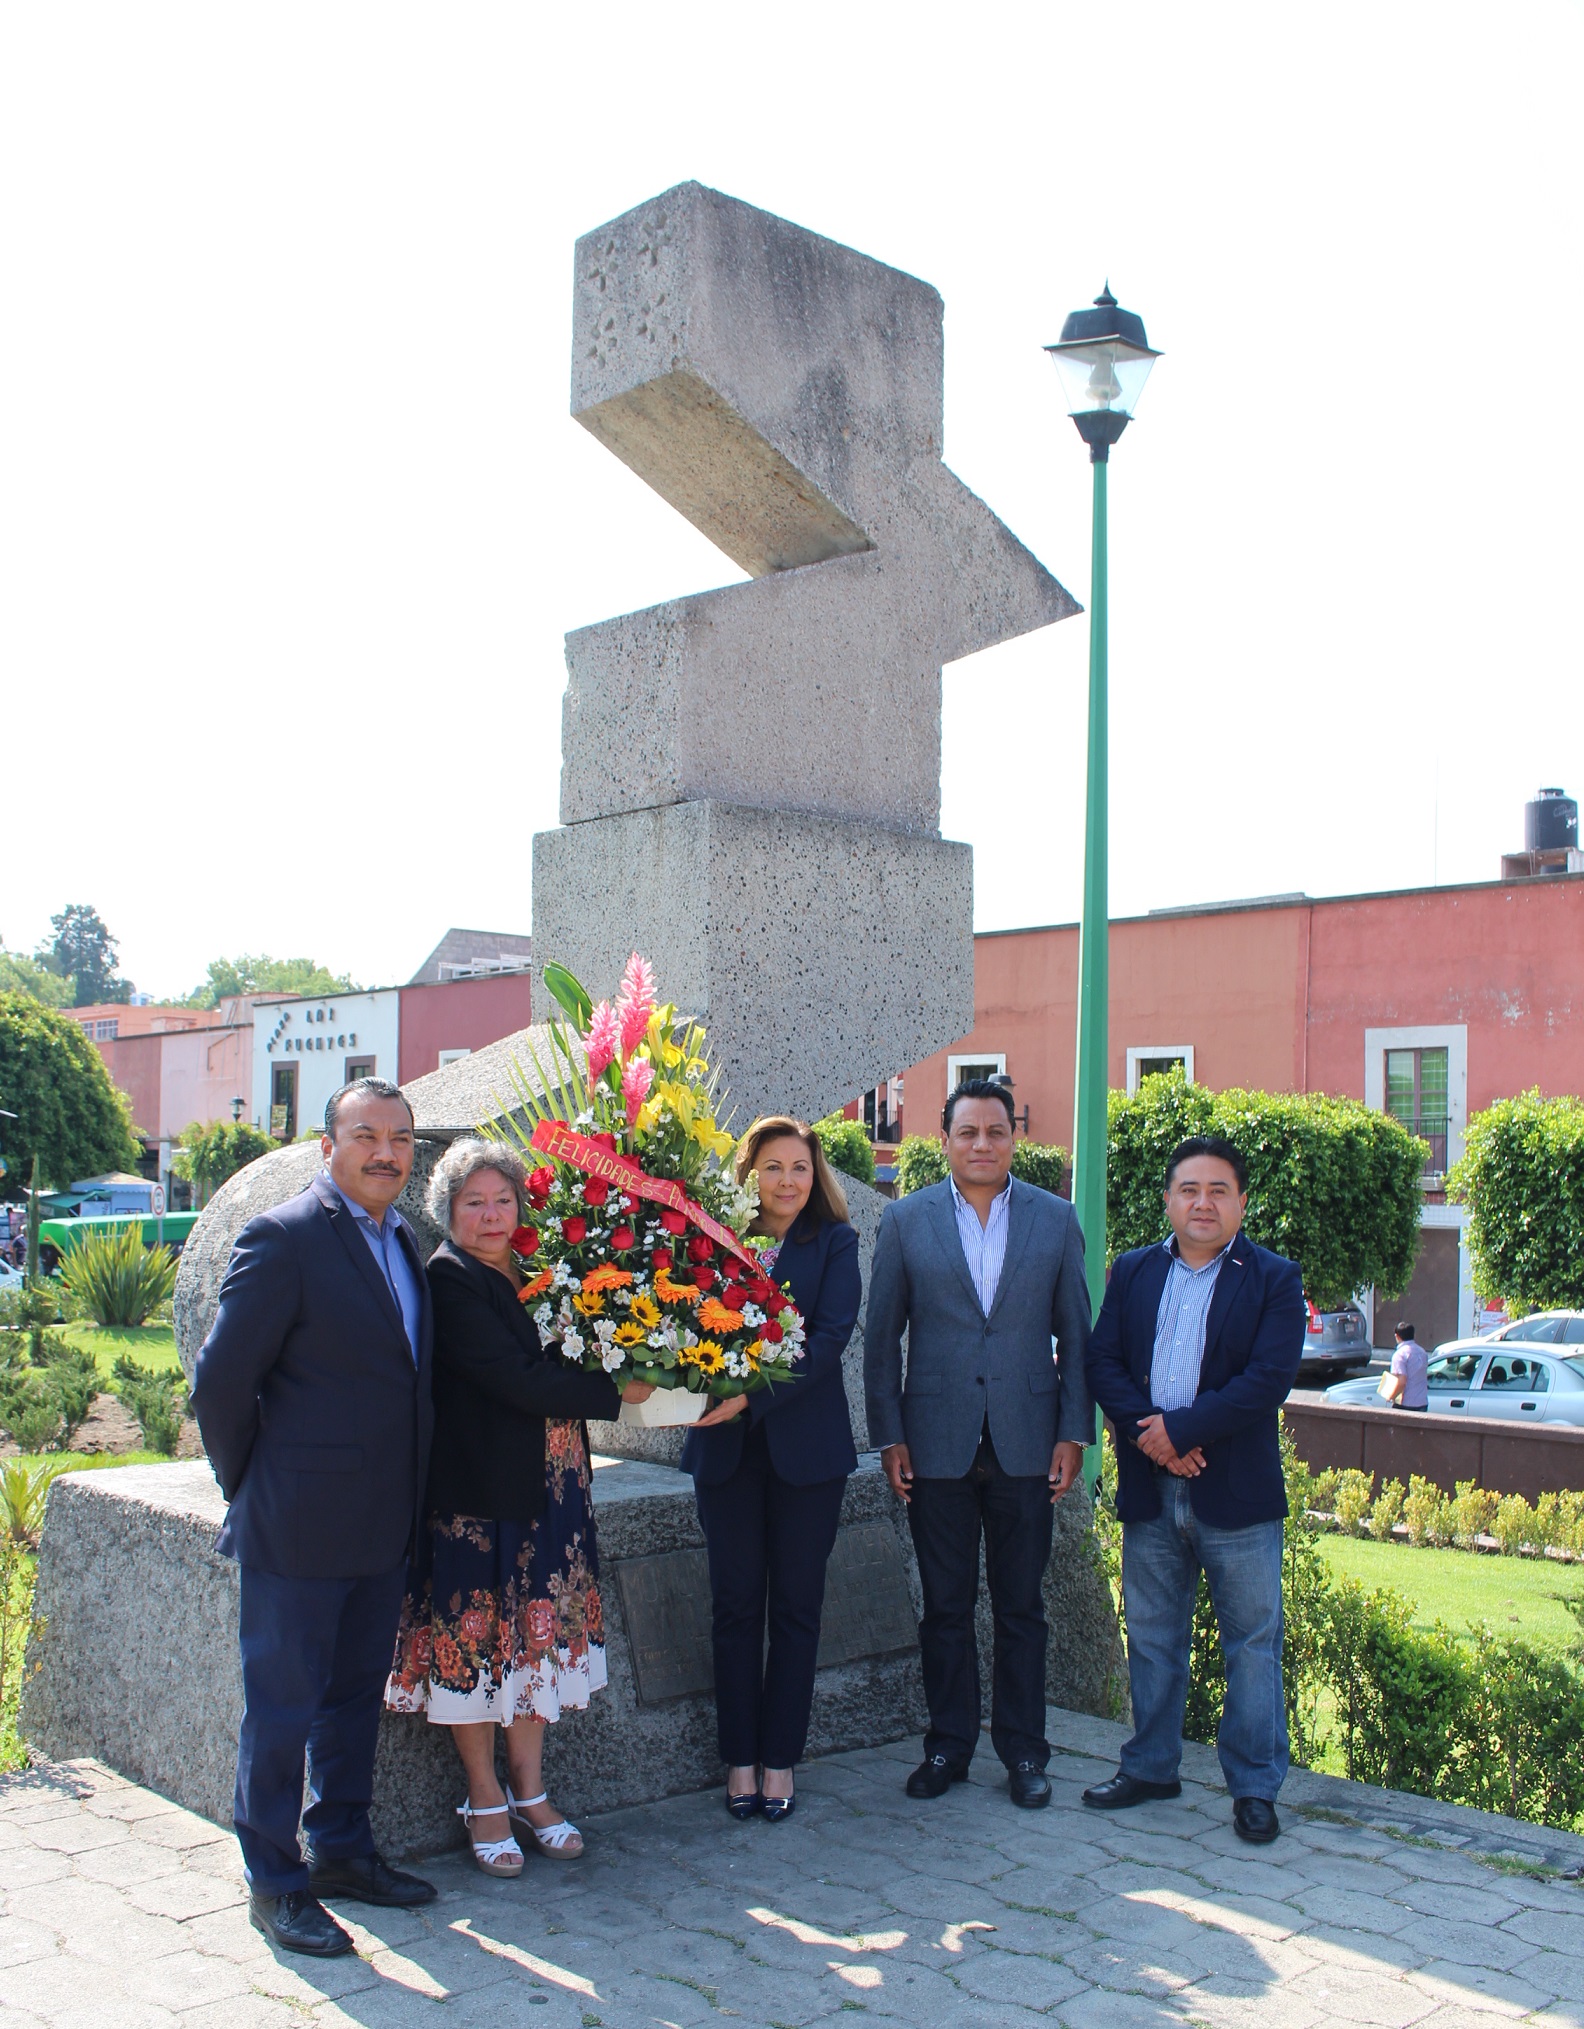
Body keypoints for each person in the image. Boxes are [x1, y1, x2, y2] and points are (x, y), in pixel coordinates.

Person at [192, 1078, 437, 1959]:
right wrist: (251, 1483)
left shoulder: (404, 1237)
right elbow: (222, 1383)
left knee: (350, 1701)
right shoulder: (284, 1235)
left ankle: (340, 1851)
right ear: (326, 1145)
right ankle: (274, 1880)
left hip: (382, 1525)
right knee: (282, 1709)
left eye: (401, 1137)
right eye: (366, 1134)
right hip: (296, 1522)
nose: (386, 1151)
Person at [386, 1138, 652, 1872]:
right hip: (479, 1496)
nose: (491, 1214)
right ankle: (483, 1795)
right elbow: (518, 1381)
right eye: (474, 1202)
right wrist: (618, 1395)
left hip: (553, 1487)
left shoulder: (538, 1271)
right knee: (476, 1644)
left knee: (535, 1644)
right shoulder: (450, 1279)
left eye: (503, 1199)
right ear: (448, 1212)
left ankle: (531, 1790)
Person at [864, 1077, 1095, 1810]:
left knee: (1023, 1606)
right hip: (935, 1442)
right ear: (946, 1141)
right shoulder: (906, 1221)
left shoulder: (1056, 1220)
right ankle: (948, 1745)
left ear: (1013, 1138)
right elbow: (880, 1340)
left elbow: (1077, 1336)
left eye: (996, 1132)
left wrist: (1073, 1430)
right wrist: (889, 1436)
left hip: (1029, 1442)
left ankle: (1025, 1750)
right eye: (969, 1132)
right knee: (945, 1605)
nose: (983, 1144)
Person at [1083, 1134, 1305, 1845]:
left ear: (1240, 1200)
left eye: (1218, 1190)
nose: (1202, 1202)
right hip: (1152, 1490)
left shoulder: (1273, 1277)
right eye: (1189, 1189)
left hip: (1234, 1494)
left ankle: (1254, 1786)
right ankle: (1150, 1764)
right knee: (1150, 1637)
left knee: (1252, 1643)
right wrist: (1155, 1439)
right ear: (1169, 1198)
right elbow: (1103, 1360)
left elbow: (1266, 1380)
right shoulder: (1135, 1269)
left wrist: (1178, 1432)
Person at [680, 1116, 861, 1822]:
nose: (789, 1180)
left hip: (806, 1455)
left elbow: (830, 1339)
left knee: (794, 1607)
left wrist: (746, 1396)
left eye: (801, 1167)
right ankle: (740, 1760)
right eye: (774, 1166)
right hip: (724, 1456)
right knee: (734, 1607)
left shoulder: (835, 1242)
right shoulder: (715, 1239)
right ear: (749, 1171)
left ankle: (781, 1757)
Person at [1381, 1322, 1429, 1411]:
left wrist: (1391, 1396)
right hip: (1422, 1401)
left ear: (1397, 1336)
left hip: (1405, 1403)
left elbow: (1401, 1381)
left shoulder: (1400, 1354)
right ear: (1413, 1335)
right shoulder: (1422, 1352)